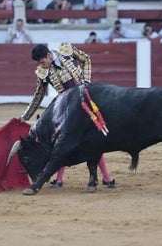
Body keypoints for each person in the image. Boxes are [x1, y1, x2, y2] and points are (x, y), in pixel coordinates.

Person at [20, 43, 116, 188]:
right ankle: (59, 179)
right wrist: (25, 116)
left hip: (85, 102)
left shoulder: (66, 51)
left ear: (48, 55)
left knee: (95, 140)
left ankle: (107, 178)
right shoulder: (42, 72)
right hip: (67, 109)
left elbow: (86, 59)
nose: (41, 66)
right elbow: (38, 95)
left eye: (42, 62)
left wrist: (86, 83)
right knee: (62, 142)